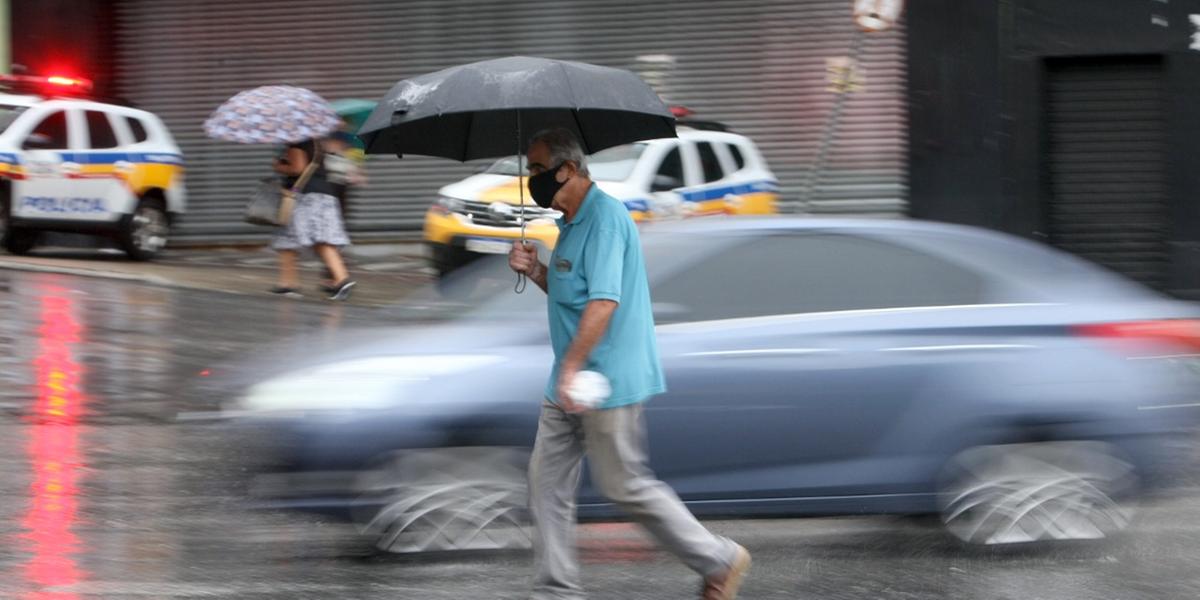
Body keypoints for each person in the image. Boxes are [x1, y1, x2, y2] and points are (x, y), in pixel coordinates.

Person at [508, 128, 752, 600]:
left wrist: (572, 368)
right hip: (570, 377)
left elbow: (603, 303)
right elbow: (571, 296)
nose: (530, 178)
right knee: (546, 485)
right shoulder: (570, 224)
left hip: (606, 379)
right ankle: (556, 590)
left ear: (569, 169)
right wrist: (535, 270)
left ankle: (719, 558)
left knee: (625, 486)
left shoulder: (604, 220)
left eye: (537, 169)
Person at [269, 138, 356, 301]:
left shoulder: (297, 143)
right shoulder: (316, 143)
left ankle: (342, 279)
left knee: (316, 240)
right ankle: (288, 283)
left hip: (307, 198)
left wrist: (278, 166)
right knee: (288, 239)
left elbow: (297, 168)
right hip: (324, 196)